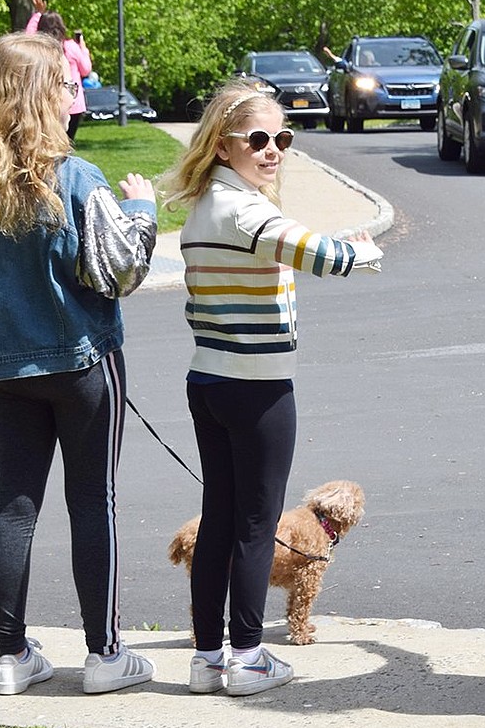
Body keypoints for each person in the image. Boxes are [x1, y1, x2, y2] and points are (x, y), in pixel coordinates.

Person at [0, 31, 159, 696]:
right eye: (68, 84)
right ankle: (105, 654)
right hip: (85, 361)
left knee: (14, 501)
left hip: (6, 366)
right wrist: (142, 209)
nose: (76, 94)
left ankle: (11, 655)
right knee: (94, 500)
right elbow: (121, 270)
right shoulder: (77, 177)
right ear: (42, 97)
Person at [164, 80, 383, 696]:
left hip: (207, 379)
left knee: (223, 519)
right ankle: (250, 657)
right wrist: (361, 252)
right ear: (223, 144)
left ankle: (209, 658)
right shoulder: (246, 211)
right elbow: (321, 253)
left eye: (281, 139)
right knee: (256, 527)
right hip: (258, 386)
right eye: (257, 139)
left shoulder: (206, 206)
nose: (272, 150)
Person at [26, 0, 92, 141]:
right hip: (73, 103)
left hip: (45, 101)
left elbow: (28, 35)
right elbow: (86, 70)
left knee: (45, 144)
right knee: (66, 145)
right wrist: (83, 47)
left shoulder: (38, 48)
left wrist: (38, 14)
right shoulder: (71, 47)